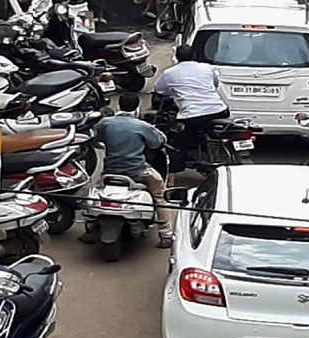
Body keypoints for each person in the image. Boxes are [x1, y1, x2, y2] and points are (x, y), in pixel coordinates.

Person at [92, 93, 174, 247]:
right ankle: (166, 235)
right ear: (137, 107)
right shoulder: (142, 126)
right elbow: (158, 142)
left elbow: (97, 140)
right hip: (138, 171)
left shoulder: (105, 123)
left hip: (110, 171)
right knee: (160, 196)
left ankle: (89, 231)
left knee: (96, 192)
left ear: (119, 105)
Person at [153, 45, 229, 175]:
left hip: (192, 115)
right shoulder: (207, 67)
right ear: (194, 55)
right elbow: (215, 84)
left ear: (176, 57)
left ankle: (173, 174)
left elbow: (159, 90)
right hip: (220, 110)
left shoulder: (169, 73)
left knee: (177, 143)